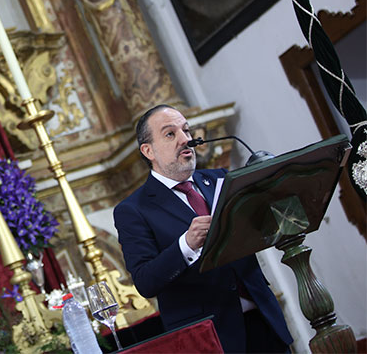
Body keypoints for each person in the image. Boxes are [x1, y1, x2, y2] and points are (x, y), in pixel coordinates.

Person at [114, 104, 292, 353]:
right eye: (170, 134)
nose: (185, 139)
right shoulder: (134, 209)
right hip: (211, 337)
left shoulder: (219, 179)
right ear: (148, 150)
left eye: (186, 130)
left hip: (264, 322)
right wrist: (186, 245)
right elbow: (145, 281)